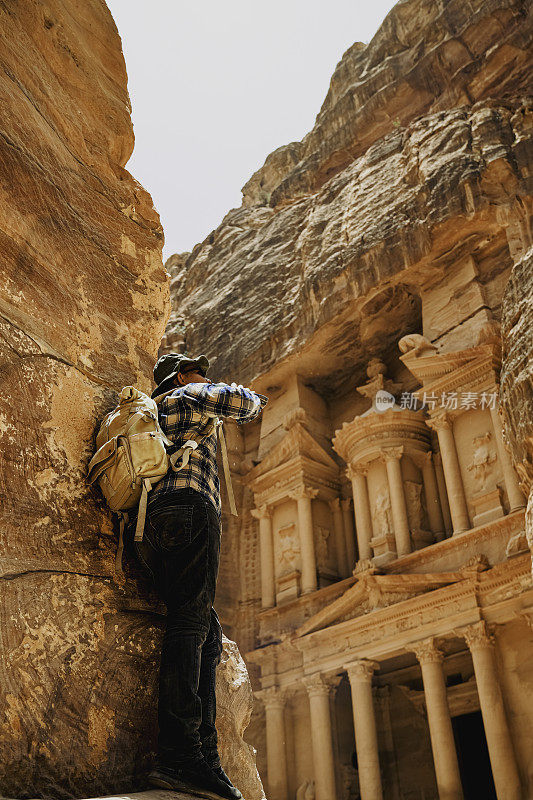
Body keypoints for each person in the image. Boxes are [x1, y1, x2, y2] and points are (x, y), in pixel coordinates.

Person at [132, 352, 268, 800]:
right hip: (191, 510)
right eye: (197, 370)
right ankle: (180, 757)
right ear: (181, 375)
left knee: (205, 634)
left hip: (154, 524)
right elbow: (242, 403)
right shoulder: (187, 396)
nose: (204, 376)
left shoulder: (156, 411)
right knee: (189, 626)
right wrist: (253, 398)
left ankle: (204, 756)